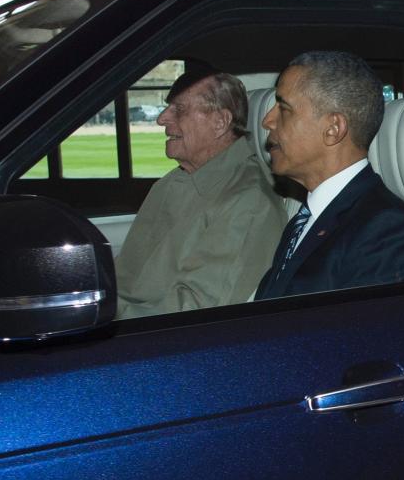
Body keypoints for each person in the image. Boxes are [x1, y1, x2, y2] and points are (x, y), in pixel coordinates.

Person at [254, 51, 404, 300]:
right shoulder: (306, 218)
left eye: (284, 108)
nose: (267, 121)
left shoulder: (385, 230)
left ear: (333, 129)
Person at [116, 71, 286, 318]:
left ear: (220, 123)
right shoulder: (173, 181)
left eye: (179, 110)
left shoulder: (247, 203)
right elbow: (130, 273)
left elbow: (194, 314)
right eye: (167, 109)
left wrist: (105, 316)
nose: (162, 119)